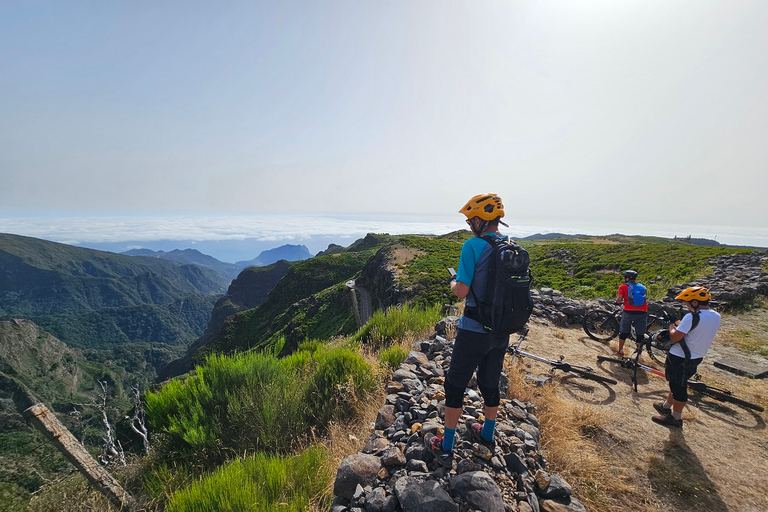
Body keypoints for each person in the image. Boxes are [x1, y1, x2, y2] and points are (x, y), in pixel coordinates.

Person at [425, 193, 513, 463]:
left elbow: (461, 292)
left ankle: (447, 443)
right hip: (501, 330)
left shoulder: (472, 246)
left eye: (469, 219)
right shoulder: (511, 246)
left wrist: (453, 283)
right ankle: (487, 433)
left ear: (480, 219)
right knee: (489, 381)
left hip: (474, 328)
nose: (467, 224)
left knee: (454, 384)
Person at [651, 286, 721, 428]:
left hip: (680, 356)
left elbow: (675, 336)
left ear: (695, 302)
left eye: (687, 302)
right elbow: (696, 330)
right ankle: (666, 406)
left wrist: (672, 326)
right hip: (696, 356)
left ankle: (675, 418)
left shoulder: (691, 316)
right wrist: (679, 323)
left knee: (679, 387)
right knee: (677, 382)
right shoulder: (716, 316)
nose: (686, 305)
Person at [614, 270, 648, 357]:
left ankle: (620, 351)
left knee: (624, 331)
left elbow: (618, 300)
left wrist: (619, 301)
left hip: (629, 311)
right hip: (642, 312)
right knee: (640, 334)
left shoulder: (623, 287)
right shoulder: (643, 287)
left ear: (628, 278)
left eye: (625, 277)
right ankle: (639, 354)